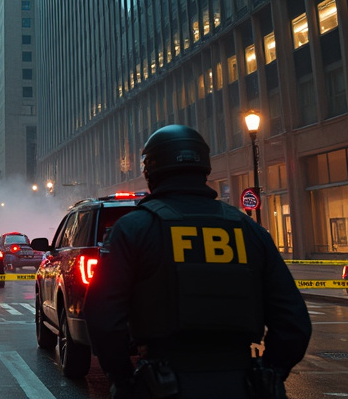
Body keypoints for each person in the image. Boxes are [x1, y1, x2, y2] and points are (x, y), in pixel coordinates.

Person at [84, 125, 312, 399]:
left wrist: (123, 379)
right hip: (240, 381)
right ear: (204, 167)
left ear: (149, 170)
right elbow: (293, 322)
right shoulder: (248, 229)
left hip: (163, 384)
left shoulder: (134, 229)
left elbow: (102, 317)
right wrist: (268, 373)